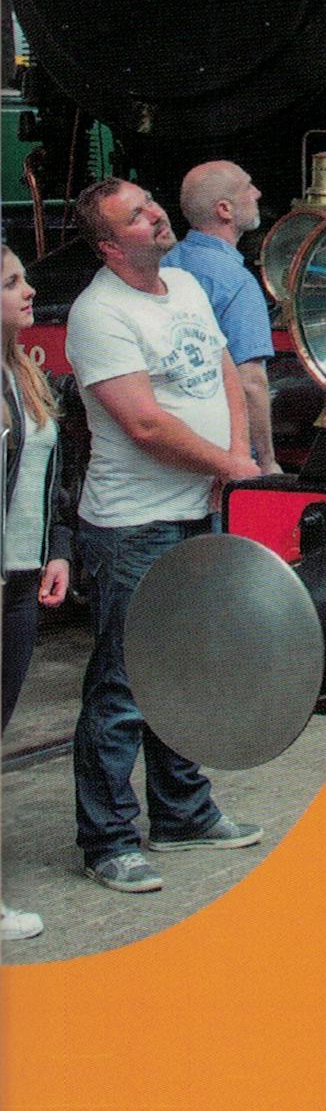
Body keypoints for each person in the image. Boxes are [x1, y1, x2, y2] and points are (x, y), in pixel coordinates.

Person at [65, 178, 262, 894]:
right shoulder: (98, 313)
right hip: (133, 526)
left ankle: (182, 814)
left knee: (186, 672)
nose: (155, 217)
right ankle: (108, 839)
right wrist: (228, 466)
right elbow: (145, 424)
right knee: (124, 686)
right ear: (110, 247)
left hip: (195, 509)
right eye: (136, 217)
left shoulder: (184, 285)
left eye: (151, 205)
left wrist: (232, 460)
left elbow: (224, 372)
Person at [3, 244, 75, 942]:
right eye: (11, 283)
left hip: (20, 579)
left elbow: (46, 475)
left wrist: (56, 547)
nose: (29, 290)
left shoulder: (21, 370)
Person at [172, 162, 279, 476]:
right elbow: (251, 383)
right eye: (247, 187)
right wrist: (267, 462)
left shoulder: (166, 262)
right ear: (224, 210)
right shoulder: (236, 283)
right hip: (223, 451)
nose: (257, 193)